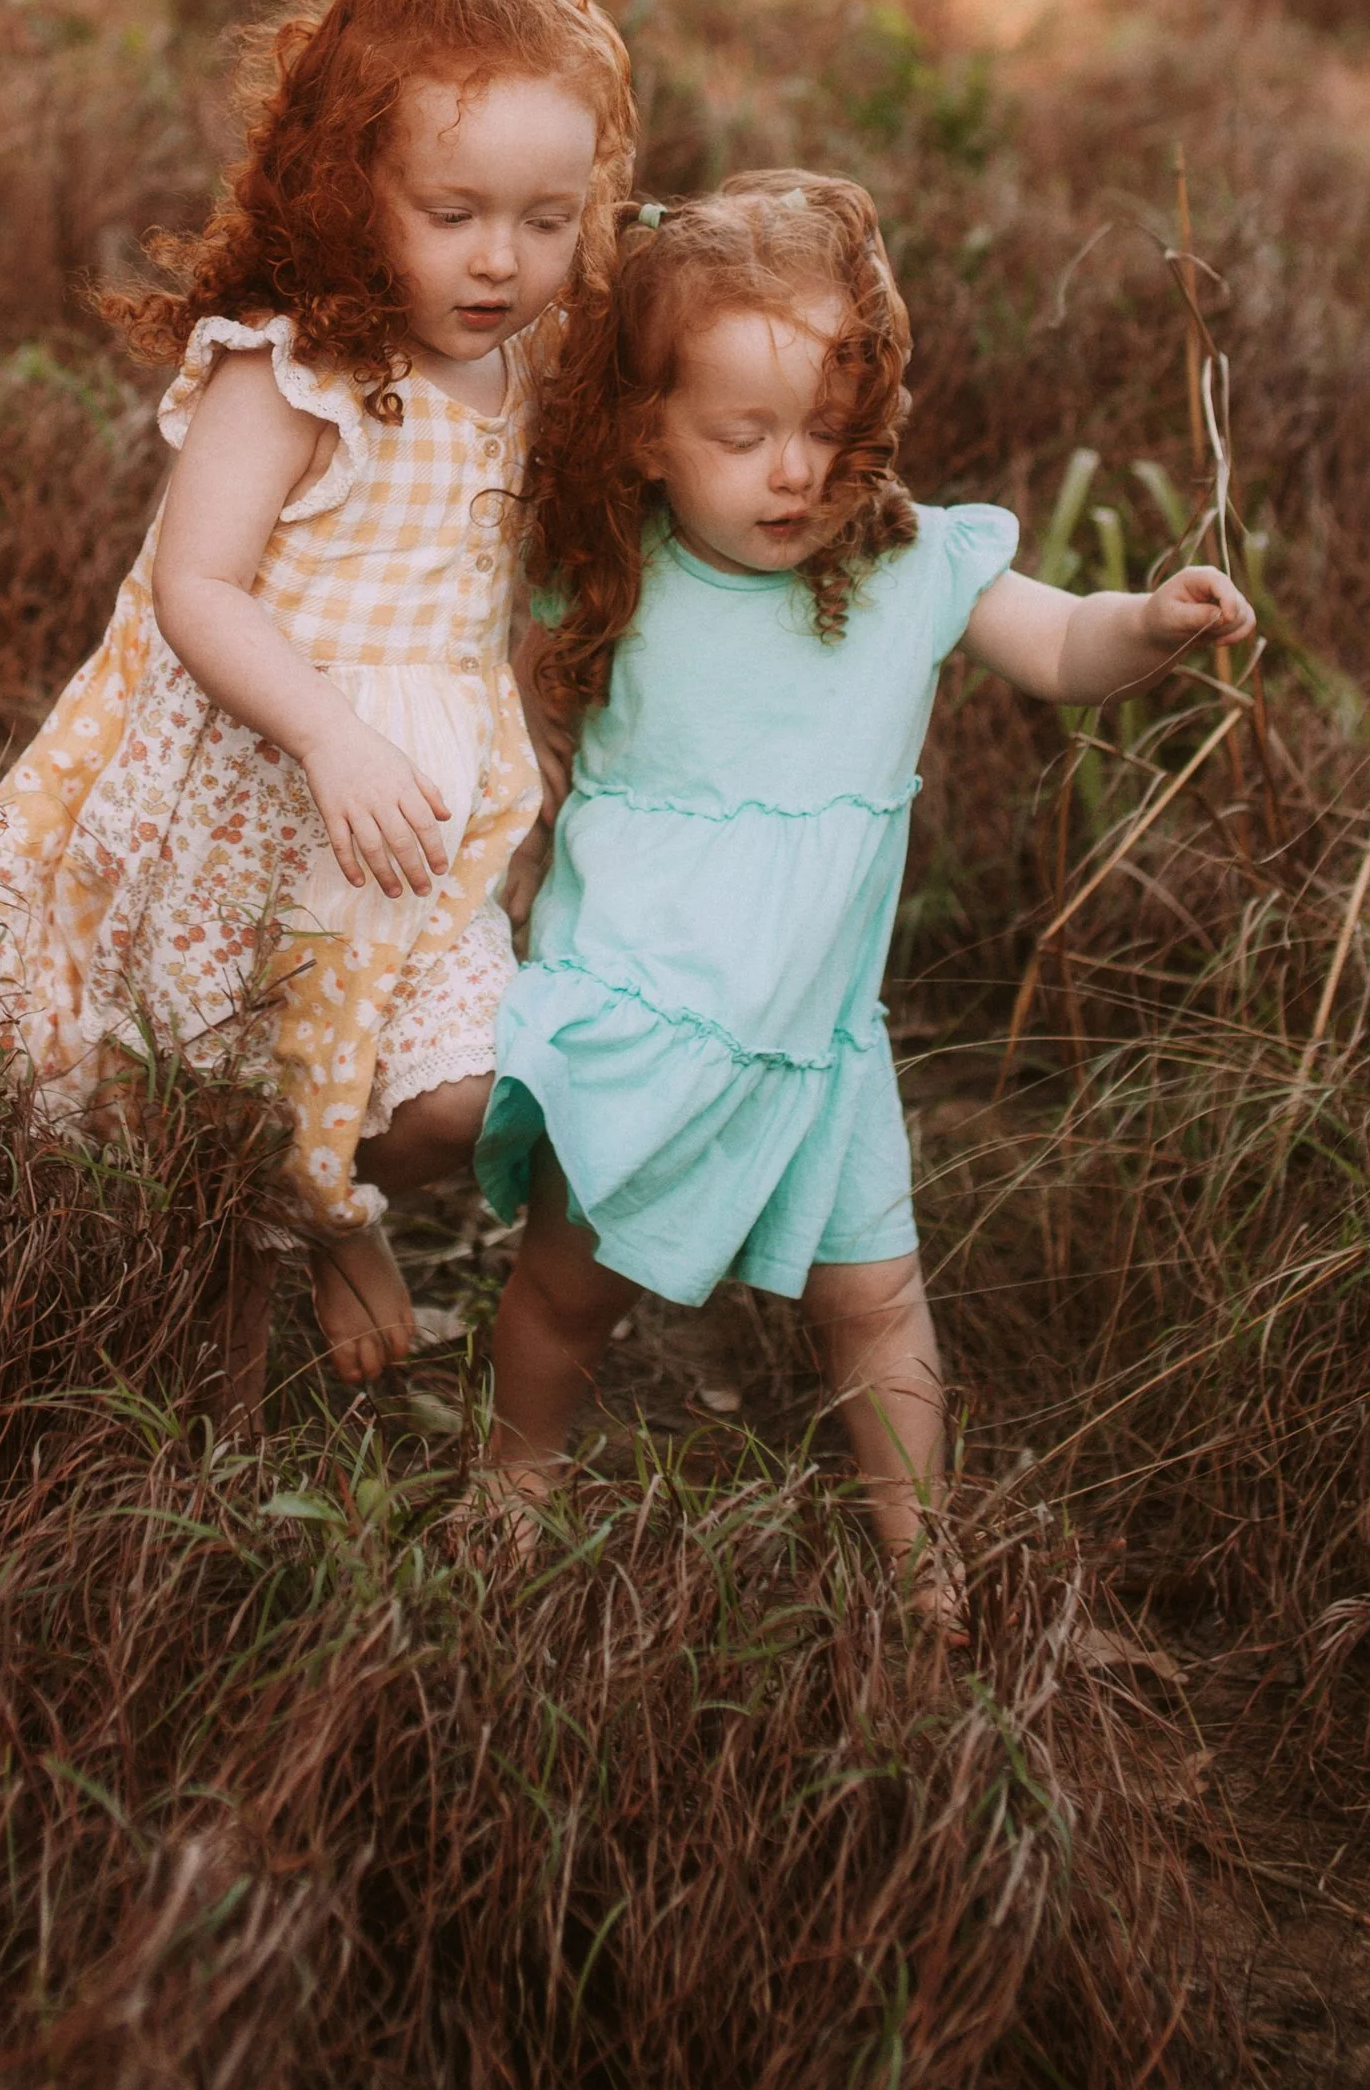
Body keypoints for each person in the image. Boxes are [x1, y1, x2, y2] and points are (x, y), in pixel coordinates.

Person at [478, 172, 1253, 1601]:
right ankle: (518, 1474)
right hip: (637, 1004)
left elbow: (1066, 648)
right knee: (569, 1285)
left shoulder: (909, 562)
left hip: (824, 1038)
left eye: (830, 433)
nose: (793, 472)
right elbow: (492, 723)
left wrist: (1151, 620)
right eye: (745, 434)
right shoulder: (612, 580)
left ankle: (922, 1553)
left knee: (878, 1297)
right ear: (649, 433)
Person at [0, 0, 635, 1388]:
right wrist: (329, 733)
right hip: (250, 807)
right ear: (349, 181)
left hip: (411, 836)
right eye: (454, 211)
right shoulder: (296, 367)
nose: (502, 258)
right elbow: (199, 584)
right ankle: (258, 1261)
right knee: (200, 1151)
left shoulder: (524, 364)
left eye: (548, 219)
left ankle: (316, 1196)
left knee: (464, 1096)